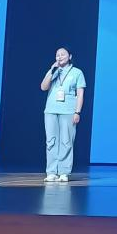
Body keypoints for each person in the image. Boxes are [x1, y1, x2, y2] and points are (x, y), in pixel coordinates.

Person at [40, 47, 86, 182]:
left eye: (62, 54)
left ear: (70, 56)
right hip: (51, 110)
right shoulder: (53, 71)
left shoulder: (77, 72)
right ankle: (51, 172)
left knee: (66, 141)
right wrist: (51, 71)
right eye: (57, 55)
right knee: (51, 141)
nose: (59, 57)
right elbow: (43, 87)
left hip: (68, 111)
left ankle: (64, 172)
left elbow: (80, 94)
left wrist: (77, 112)